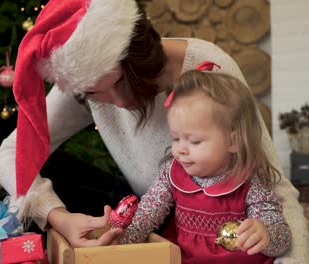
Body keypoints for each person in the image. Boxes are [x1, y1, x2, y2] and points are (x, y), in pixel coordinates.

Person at [0, 0, 309, 262]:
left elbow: (274, 187)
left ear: (137, 58)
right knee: (46, 171)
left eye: (121, 83)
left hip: (200, 215)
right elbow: (10, 154)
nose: (114, 101)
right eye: (97, 92)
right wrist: (58, 218)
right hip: (140, 205)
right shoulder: (86, 84)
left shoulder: (208, 68)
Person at [119, 62, 291, 263]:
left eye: (194, 141)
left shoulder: (248, 180)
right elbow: (148, 213)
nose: (181, 149)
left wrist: (266, 234)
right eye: (175, 138)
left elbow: (283, 238)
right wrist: (124, 243)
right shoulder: (172, 172)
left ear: (232, 141)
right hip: (185, 258)